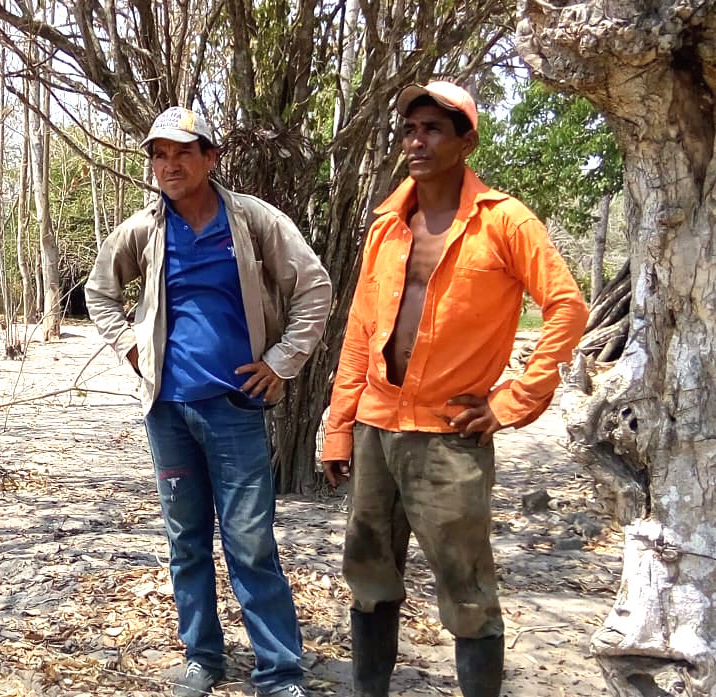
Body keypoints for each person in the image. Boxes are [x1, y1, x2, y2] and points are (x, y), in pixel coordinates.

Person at [320, 81, 589, 696]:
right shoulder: (388, 225)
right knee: (368, 578)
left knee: (466, 589)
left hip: (448, 437)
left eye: (434, 129)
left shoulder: (504, 221)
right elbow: (362, 330)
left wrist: (513, 400)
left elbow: (567, 307)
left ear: (466, 141)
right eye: (411, 129)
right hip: (376, 428)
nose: (417, 140)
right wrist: (340, 426)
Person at [86, 106, 333, 697]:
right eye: (158, 154)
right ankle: (203, 657)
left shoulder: (251, 221)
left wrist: (281, 363)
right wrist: (129, 346)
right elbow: (100, 291)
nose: (168, 165)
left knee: (250, 540)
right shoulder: (143, 229)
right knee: (186, 540)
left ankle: (279, 671)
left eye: (182, 153)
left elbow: (314, 285)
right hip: (167, 411)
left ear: (210, 158)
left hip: (235, 408)